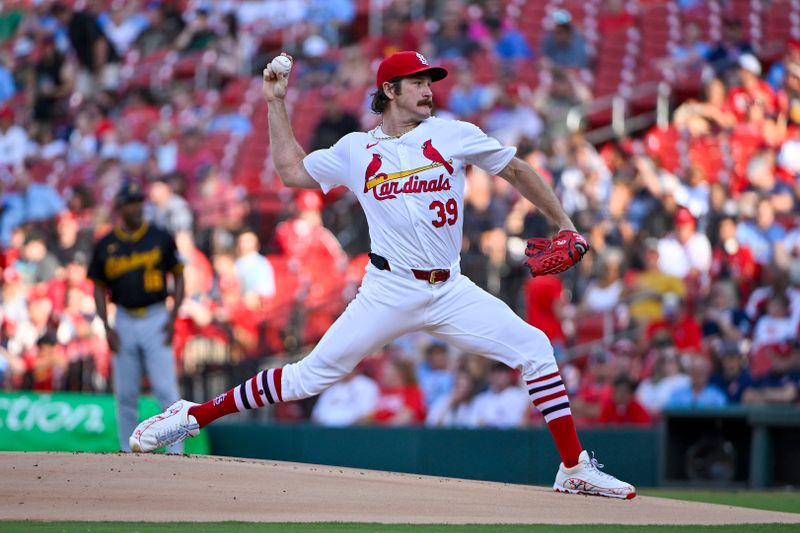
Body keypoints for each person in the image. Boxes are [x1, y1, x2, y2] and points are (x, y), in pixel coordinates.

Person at [130, 50, 635, 499]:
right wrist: (275, 103)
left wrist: (565, 223)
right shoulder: (355, 149)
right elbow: (291, 173)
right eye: (416, 82)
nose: (427, 89)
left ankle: (573, 468)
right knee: (309, 377)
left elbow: (517, 170)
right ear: (389, 91)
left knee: (536, 350)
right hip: (389, 287)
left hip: (451, 287)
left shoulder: (453, 134)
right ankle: (191, 416)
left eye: (429, 81)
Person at [88, 181, 185, 453]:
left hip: (156, 316)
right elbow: (97, 287)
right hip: (124, 319)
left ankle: (176, 452)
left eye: (139, 201)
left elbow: (178, 276)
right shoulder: (106, 243)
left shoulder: (159, 236)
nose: (137, 206)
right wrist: (106, 326)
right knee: (126, 394)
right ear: (120, 207)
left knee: (166, 391)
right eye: (131, 202)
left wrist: (173, 316)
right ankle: (127, 452)